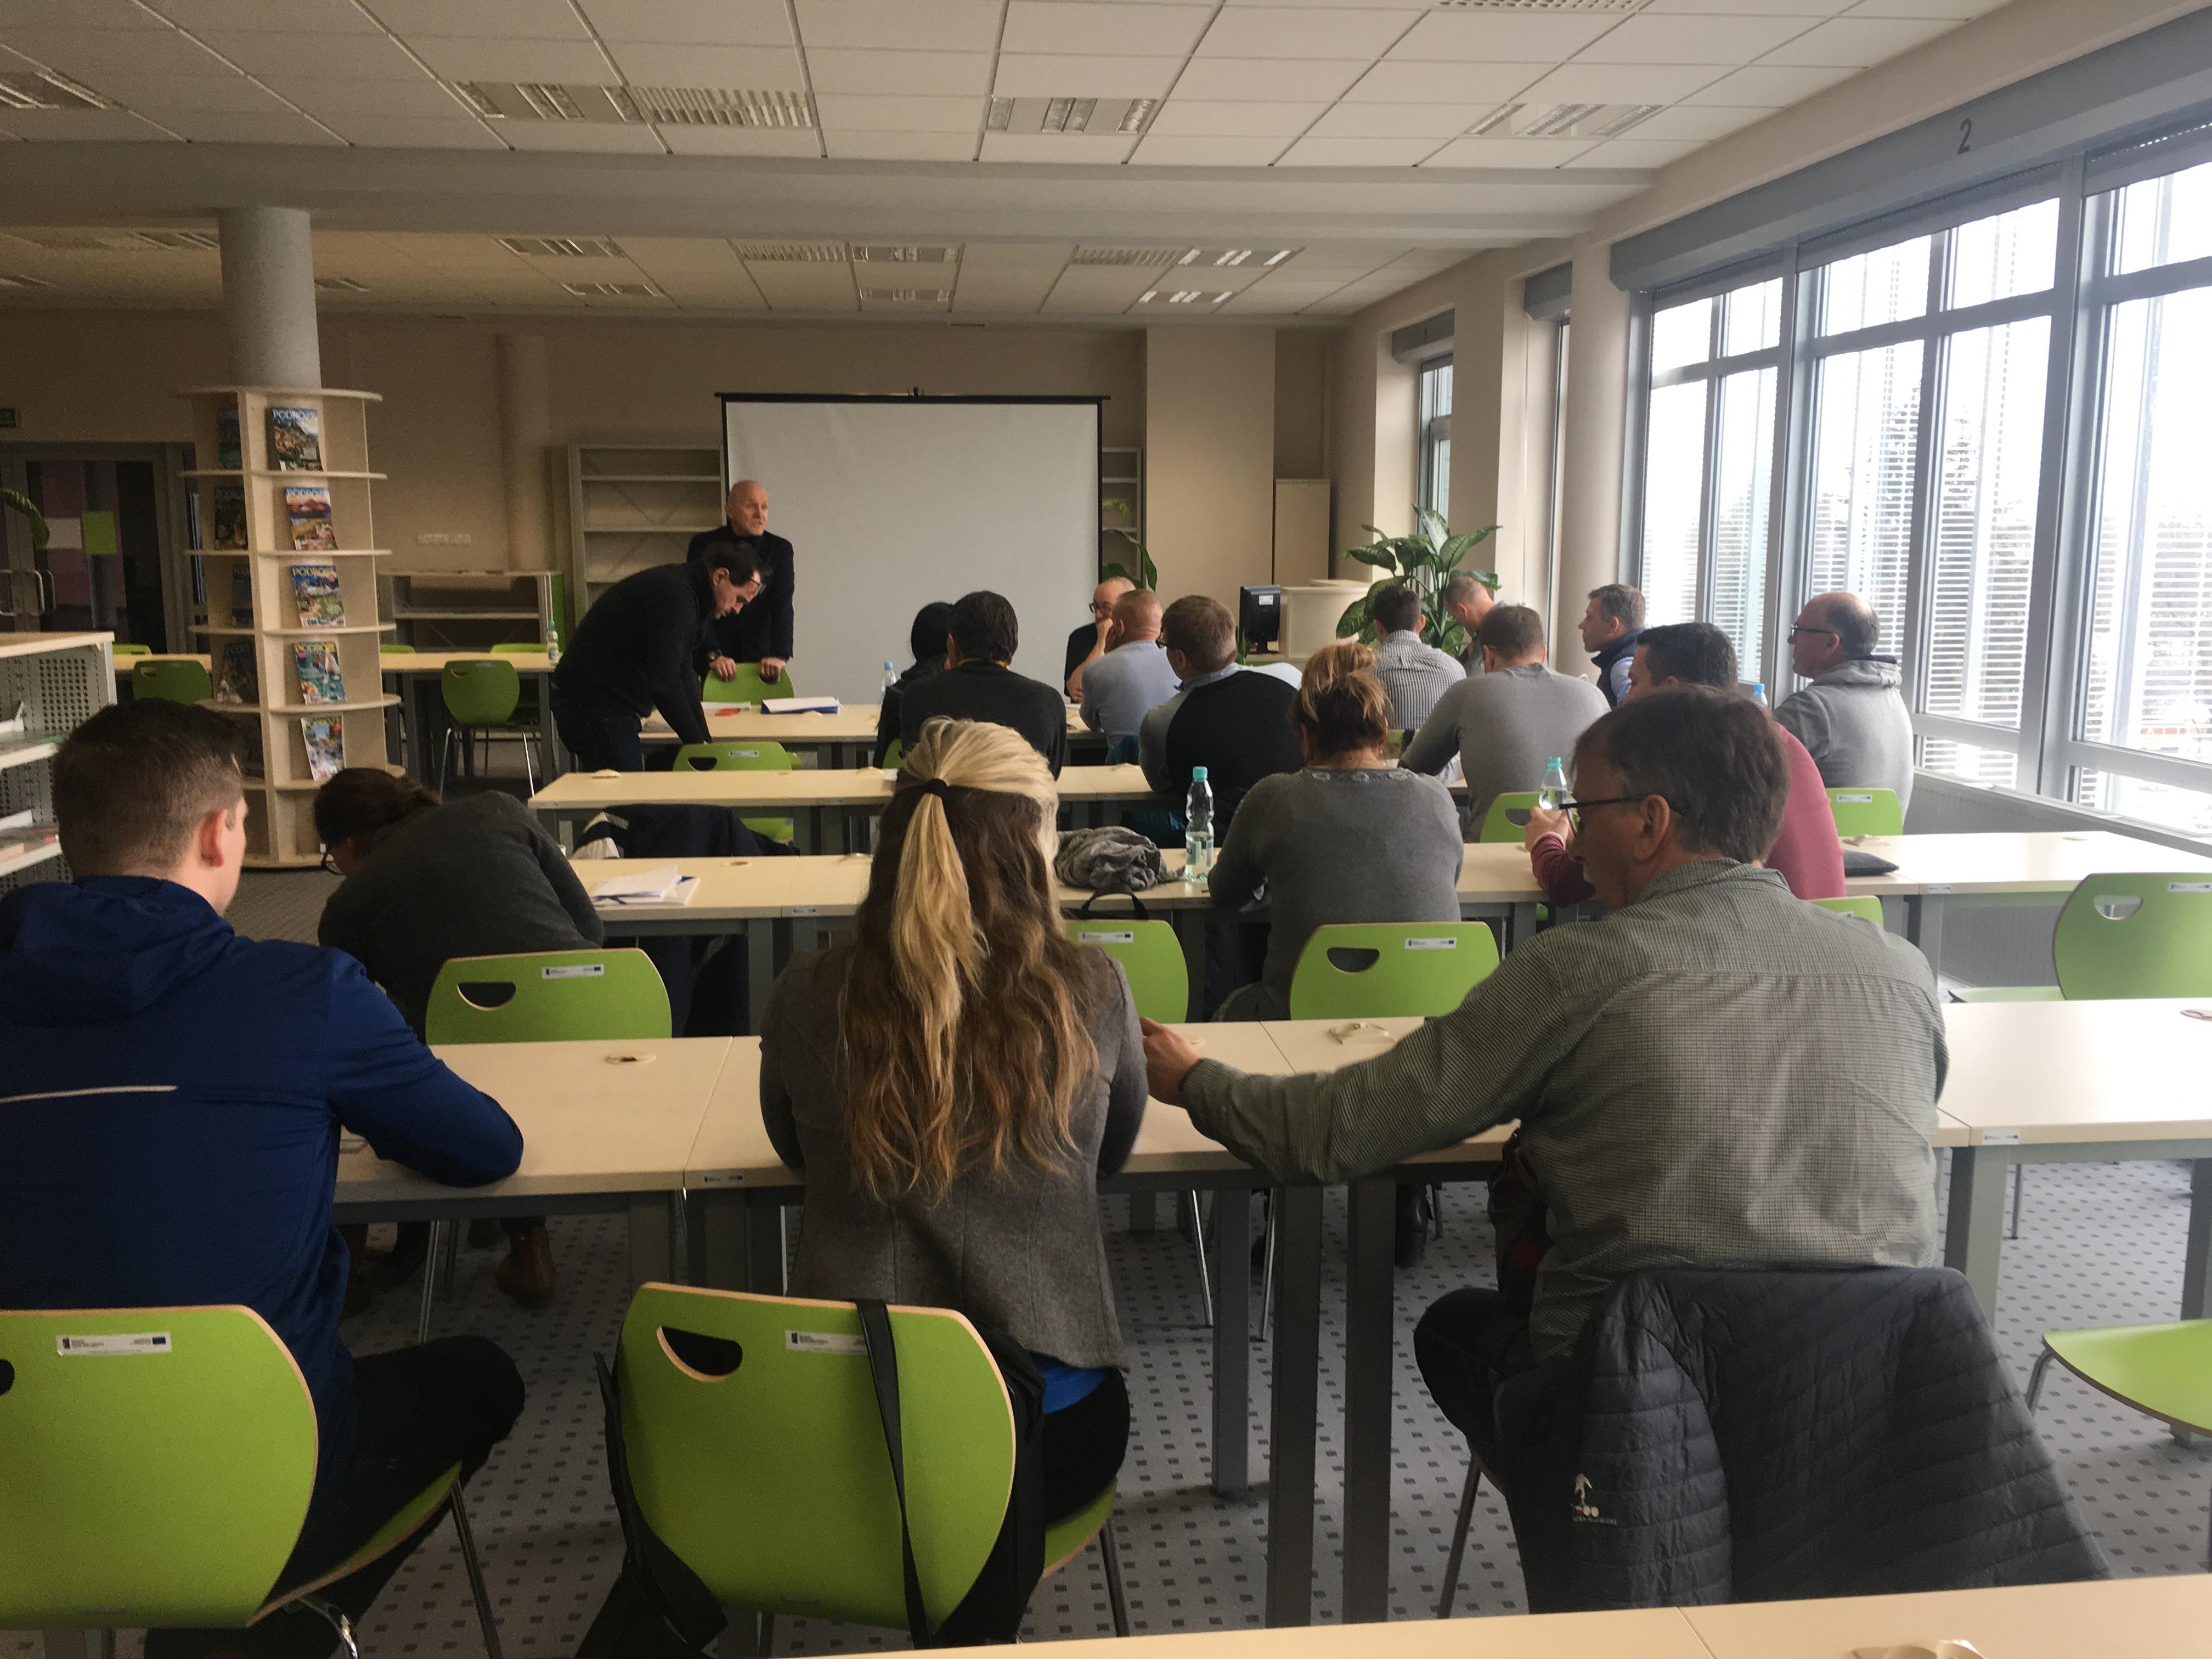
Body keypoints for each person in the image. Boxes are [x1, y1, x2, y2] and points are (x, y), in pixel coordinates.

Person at [1140, 687, 1944, 1466]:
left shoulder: (1579, 972)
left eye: (1583, 814)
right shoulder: (1903, 973)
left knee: (1454, 1329)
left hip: (1637, 1402)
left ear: (1651, 823)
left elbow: (1337, 1133)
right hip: (1867, 1404)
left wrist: (1196, 1080)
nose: (1571, 843)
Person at [0, 700, 527, 1659]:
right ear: (219, 832)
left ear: (72, 840)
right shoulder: (305, 994)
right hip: (259, 1465)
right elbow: (486, 1147)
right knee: (479, 1378)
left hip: (22, 1474)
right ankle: (270, 1623)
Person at [760, 718, 1144, 1643]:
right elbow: (1113, 1152)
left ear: (893, 841)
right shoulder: (1093, 990)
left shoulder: (806, 991)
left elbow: (792, 1146)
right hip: (1047, 1428)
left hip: (854, 1423)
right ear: (1033, 845)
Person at [314, 768, 607, 1308]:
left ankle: (352, 1262)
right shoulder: (500, 807)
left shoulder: (350, 904)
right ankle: (523, 1241)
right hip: (594, 1028)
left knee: (391, 1057)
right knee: (487, 1036)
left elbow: (349, 1021)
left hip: (467, 1067)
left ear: (348, 843)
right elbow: (591, 930)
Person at [1210, 644, 1463, 1022]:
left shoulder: (1274, 797)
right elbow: (1448, 879)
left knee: (1223, 1012)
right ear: (1383, 733)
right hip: (1427, 1016)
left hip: (1303, 1014)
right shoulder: (1436, 796)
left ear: (1306, 736)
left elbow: (1225, 895)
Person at [1522, 622, 1846, 906]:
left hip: (1752, 938)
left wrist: (1545, 839)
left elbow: (1568, 883)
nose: (1625, 700)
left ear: (1669, 690)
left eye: (1634, 683)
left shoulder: (1681, 757)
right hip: (1824, 928)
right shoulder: (1779, 743)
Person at [1401, 603, 1609, 835]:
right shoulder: (1594, 696)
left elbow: (1412, 770)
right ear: (1544, 653)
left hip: (1492, 844)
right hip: (1575, 843)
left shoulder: (1466, 693)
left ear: (1488, 655)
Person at [551, 543, 761, 771]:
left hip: (604, 701)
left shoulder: (692, 596)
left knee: (631, 787)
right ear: (720, 576)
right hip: (593, 702)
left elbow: (683, 672)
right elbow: (664, 681)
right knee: (627, 790)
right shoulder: (678, 596)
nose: (737, 610)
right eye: (739, 599)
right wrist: (696, 745)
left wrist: (704, 744)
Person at [1138, 594, 1303, 830]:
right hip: (1297, 829)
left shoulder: (1161, 721)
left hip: (1217, 842)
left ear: (1180, 659)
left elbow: (1161, 785)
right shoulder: (1291, 681)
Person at [900, 589, 1069, 776]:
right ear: (1014, 645)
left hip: (944, 795)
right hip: (1020, 795)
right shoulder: (1047, 702)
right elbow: (1050, 777)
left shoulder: (918, 696)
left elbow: (914, 769)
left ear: (952, 646)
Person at [1776, 590, 1916, 811]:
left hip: (1825, 834)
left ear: (1830, 643)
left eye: (1799, 631)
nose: (1791, 639)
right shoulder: (1892, 698)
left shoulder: (1813, 707)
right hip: (1880, 834)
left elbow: (1741, 768)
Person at [688, 479, 794, 686]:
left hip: (762, 654)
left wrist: (780, 654)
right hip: (717, 651)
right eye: (750, 506)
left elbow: (782, 602)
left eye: (765, 507)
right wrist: (712, 653)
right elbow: (698, 603)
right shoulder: (704, 544)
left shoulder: (780, 549)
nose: (760, 515)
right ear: (729, 510)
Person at [1079, 588, 1182, 743]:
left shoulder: (1097, 669)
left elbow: (1092, 722)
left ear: (1119, 627)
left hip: (1123, 758)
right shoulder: (1181, 664)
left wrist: (1108, 656)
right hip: (1172, 757)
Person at [1368, 582, 1465, 730]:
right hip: (1442, 747)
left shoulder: (1365, 673)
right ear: (1422, 622)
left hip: (1389, 746)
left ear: (1378, 626)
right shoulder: (1455, 669)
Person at [876, 599, 956, 766]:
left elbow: (880, 762)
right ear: (953, 645)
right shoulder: (958, 692)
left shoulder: (896, 693)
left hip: (901, 780)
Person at [1065, 573, 1135, 697]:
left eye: (1106, 607)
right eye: (1096, 606)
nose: (1098, 614)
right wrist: (1101, 642)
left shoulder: (1140, 638)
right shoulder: (1081, 637)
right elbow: (1076, 689)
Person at [1578, 583, 1646, 707]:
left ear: (1612, 626)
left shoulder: (1624, 667)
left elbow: (1635, 715)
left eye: (1589, 618)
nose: (1581, 625)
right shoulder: (1641, 653)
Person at [1442, 571, 1498, 678]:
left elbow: (1468, 678)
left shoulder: (1493, 632)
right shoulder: (1512, 622)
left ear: (1462, 610)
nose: (1458, 622)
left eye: (1454, 616)